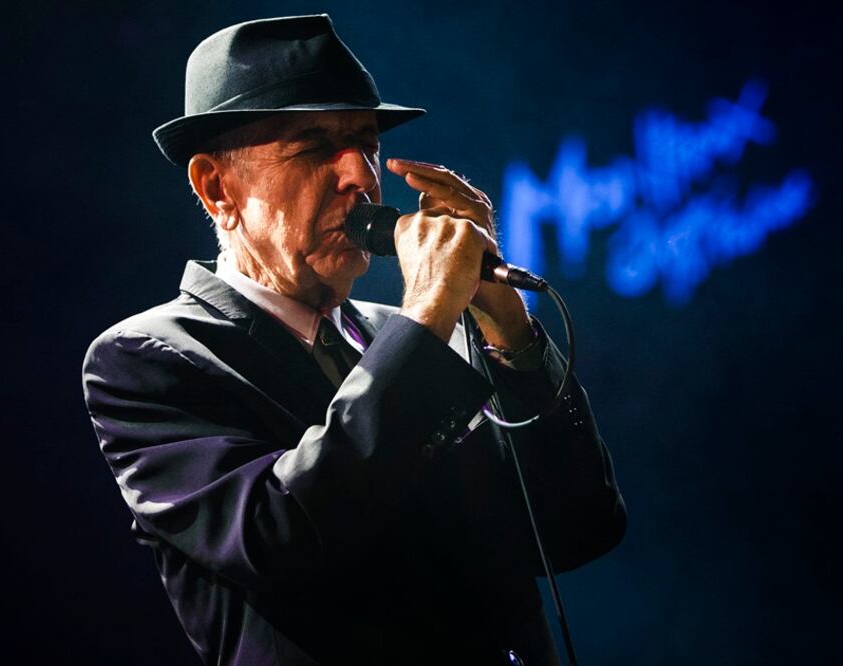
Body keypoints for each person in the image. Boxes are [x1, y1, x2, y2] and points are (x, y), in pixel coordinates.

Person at [81, 14, 626, 665]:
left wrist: (506, 325)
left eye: (365, 144)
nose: (361, 177)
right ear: (217, 187)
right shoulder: (146, 360)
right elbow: (282, 534)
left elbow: (577, 531)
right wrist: (425, 321)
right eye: (314, 146)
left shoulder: (405, 338)